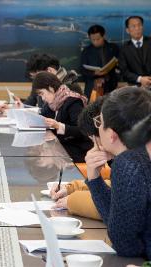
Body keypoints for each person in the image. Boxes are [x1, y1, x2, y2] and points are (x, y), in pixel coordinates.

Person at [85, 87, 151, 258]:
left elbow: (124, 243)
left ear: (112, 134)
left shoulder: (129, 163)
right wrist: (94, 178)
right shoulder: (141, 154)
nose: (98, 128)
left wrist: (95, 182)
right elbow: (120, 220)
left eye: (99, 122)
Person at [50, 97, 111, 220]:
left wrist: (72, 201)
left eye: (94, 139)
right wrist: (73, 188)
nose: (96, 146)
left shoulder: (133, 164)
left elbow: (115, 208)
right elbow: (114, 187)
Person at [31, 71, 92, 162]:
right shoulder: (53, 102)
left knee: (47, 155)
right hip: (63, 144)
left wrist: (59, 126)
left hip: (78, 148)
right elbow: (42, 116)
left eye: (42, 93)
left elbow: (82, 131)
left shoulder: (73, 101)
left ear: (51, 88)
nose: (43, 98)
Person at [80, 25, 119, 99]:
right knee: (93, 109)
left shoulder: (113, 48)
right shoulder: (86, 51)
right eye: (93, 39)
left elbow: (120, 65)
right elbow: (82, 70)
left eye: (98, 39)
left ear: (104, 36)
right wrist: (94, 73)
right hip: (93, 88)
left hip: (111, 86)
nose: (95, 42)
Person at [119, 16, 151, 88]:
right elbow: (124, 71)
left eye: (139, 25)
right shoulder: (123, 49)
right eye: (133, 26)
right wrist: (140, 79)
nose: (137, 29)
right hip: (135, 88)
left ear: (143, 27)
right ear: (127, 30)